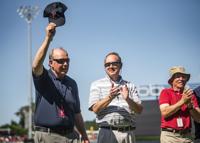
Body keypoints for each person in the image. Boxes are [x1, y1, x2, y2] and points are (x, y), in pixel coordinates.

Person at [32, 23, 89, 143]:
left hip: (70, 136)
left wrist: (84, 135)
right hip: (48, 136)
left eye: (67, 60)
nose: (65, 64)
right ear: (50, 63)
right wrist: (48, 38)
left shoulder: (72, 83)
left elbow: (77, 113)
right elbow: (36, 65)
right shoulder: (44, 77)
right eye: (61, 61)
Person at [88, 52, 143, 143]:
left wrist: (127, 99)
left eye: (114, 63)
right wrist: (110, 97)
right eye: (107, 64)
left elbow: (139, 110)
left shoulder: (130, 85)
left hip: (128, 133)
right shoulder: (96, 84)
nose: (111, 66)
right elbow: (95, 109)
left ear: (120, 65)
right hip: (107, 132)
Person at [159, 66, 200, 143]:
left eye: (183, 76)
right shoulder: (165, 92)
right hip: (170, 137)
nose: (181, 79)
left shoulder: (190, 94)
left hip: (187, 137)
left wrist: (190, 107)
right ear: (172, 80)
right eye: (178, 76)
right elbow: (165, 113)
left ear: (186, 80)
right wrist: (182, 101)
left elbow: (198, 119)